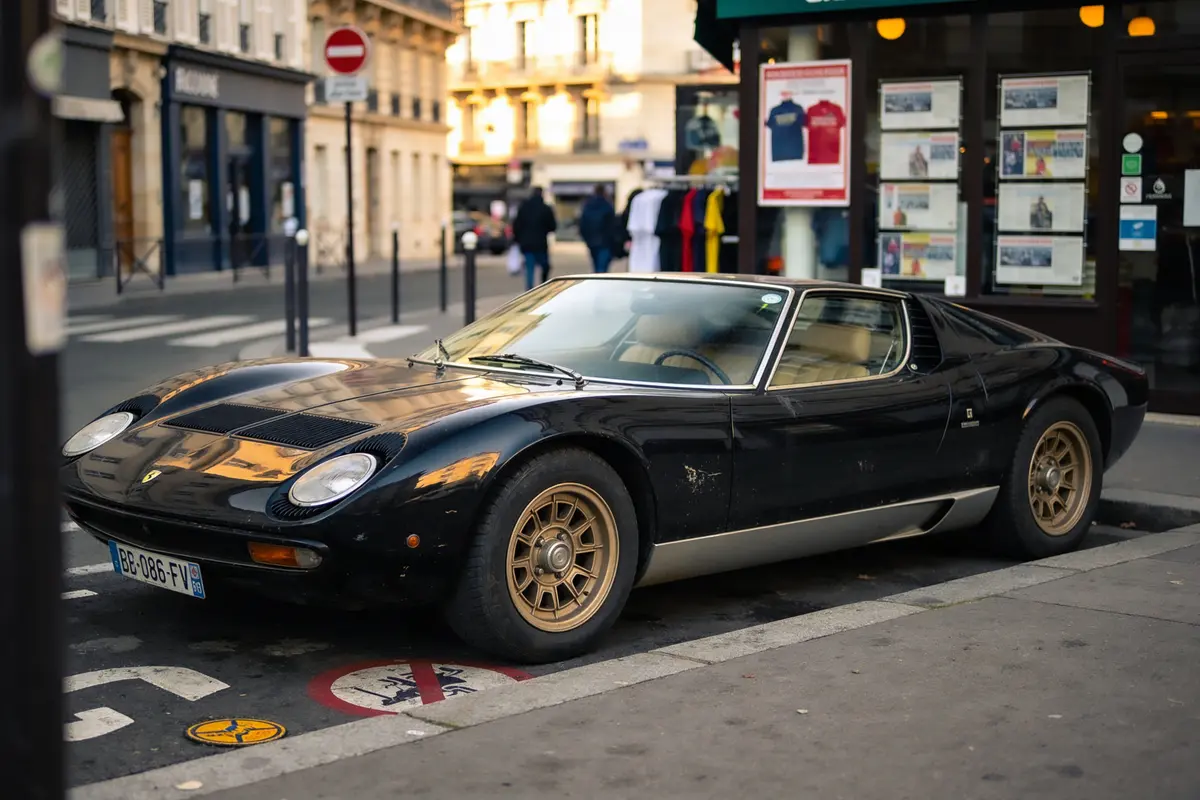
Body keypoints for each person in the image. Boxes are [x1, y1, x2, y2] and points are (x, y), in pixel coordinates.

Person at [511, 186, 558, 290]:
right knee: (545, 265)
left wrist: (518, 239)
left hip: (526, 243)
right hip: (540, 243)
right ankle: (544, 285)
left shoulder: (524, 207)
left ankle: (529, 290)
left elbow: (516, 225)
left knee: (529, 268)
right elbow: (553, 226)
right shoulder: (545, 208)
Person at [577, 184, 616, 273]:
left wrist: (586, 238)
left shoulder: (588, 205)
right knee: (602, 268)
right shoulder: (607, 206)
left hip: (591, 241)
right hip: (605, 241)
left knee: (596, 267)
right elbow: (612, 225)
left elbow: (582, 224)